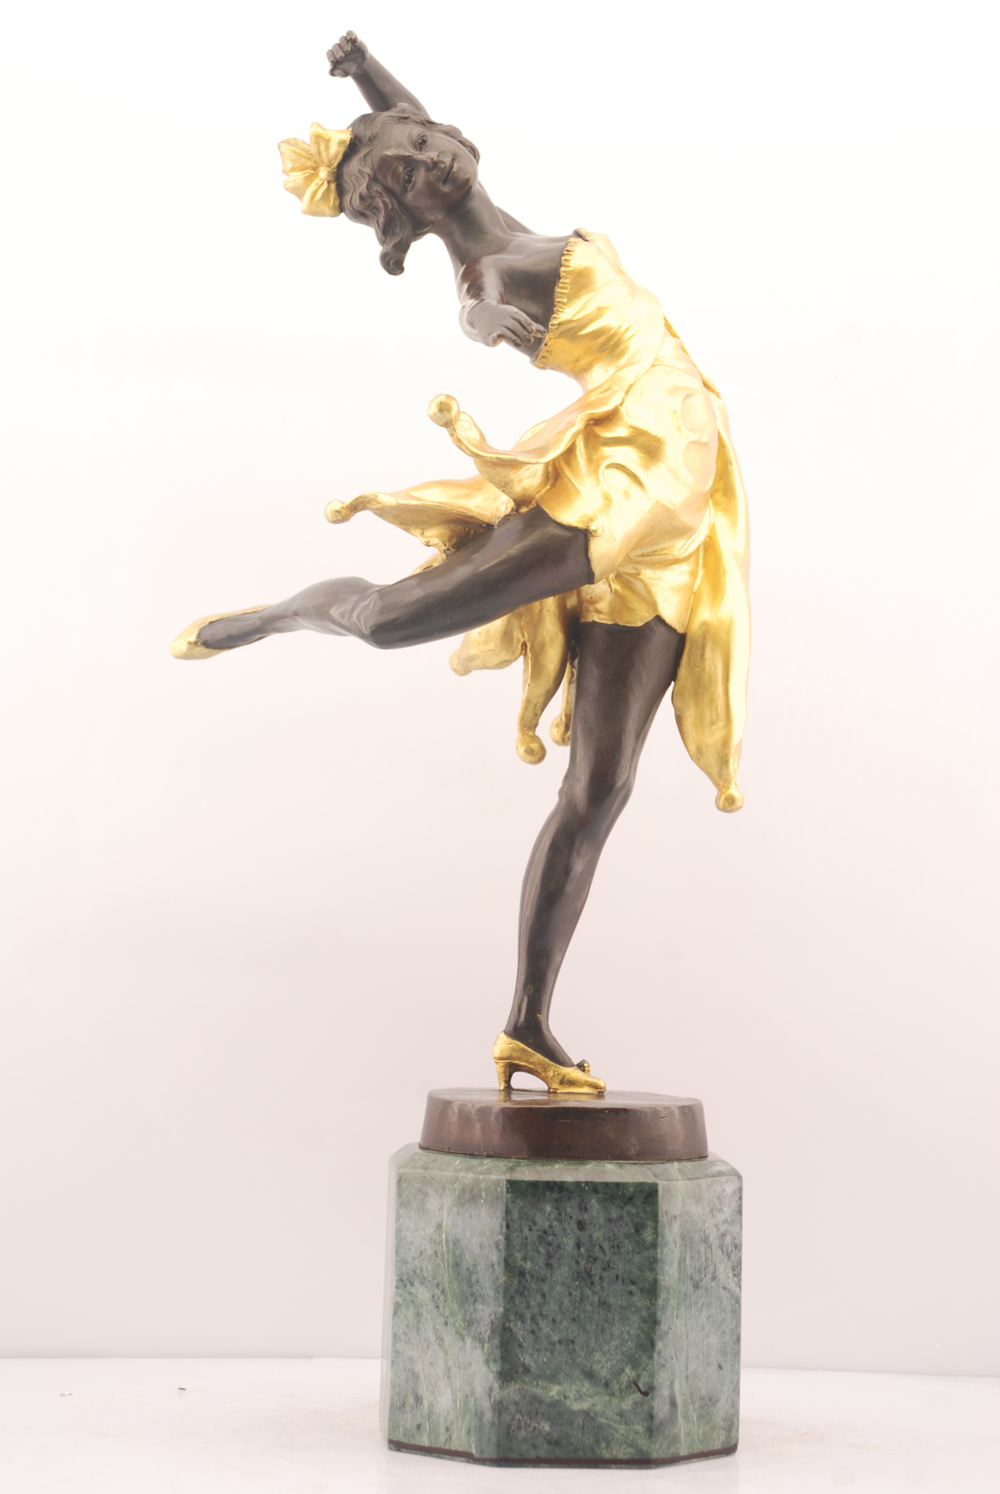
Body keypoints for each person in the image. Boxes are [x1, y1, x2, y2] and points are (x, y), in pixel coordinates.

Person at [171, 32, 751, 1095]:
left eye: (424, 145)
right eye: (406, 175)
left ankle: (527, 1024)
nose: (430, 157)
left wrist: (365, 72)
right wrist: (480, 315)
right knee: (391, 621)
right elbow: (484, 306)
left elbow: (420, 127)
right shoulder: (488, 277)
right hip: (618, 485)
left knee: (601, 788)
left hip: (678, 513)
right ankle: (283, 612)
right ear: (402, 219)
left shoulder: (503, 215)